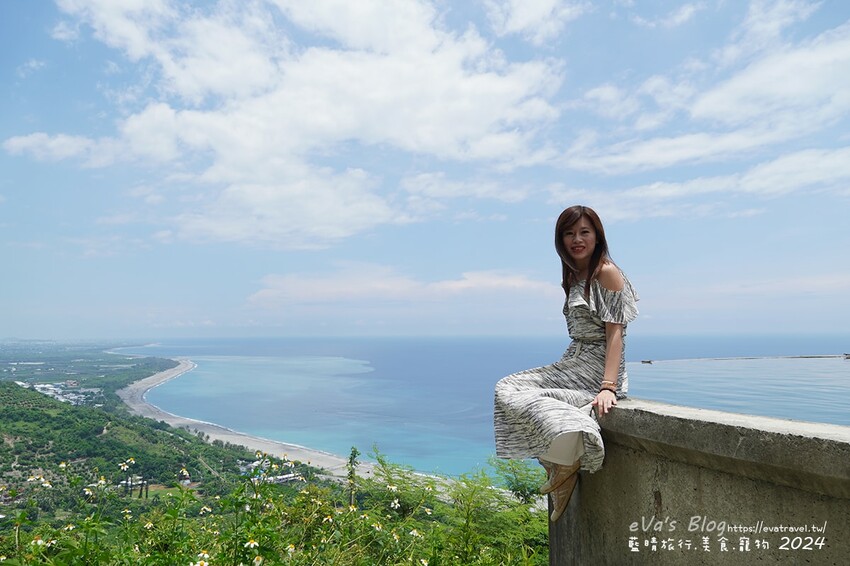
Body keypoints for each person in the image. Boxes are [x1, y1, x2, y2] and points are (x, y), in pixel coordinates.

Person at [493, 205, 638, 522]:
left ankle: (570, 458)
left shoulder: (606, 272)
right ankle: (561, 464)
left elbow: (615, 334)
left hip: (597, 367)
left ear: (597, 235)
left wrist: (608, 386)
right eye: (569, 233)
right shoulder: (575, 274)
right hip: (575, 359)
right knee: (509, 388)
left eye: (584, 231)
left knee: (520, 392)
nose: (577, 239)